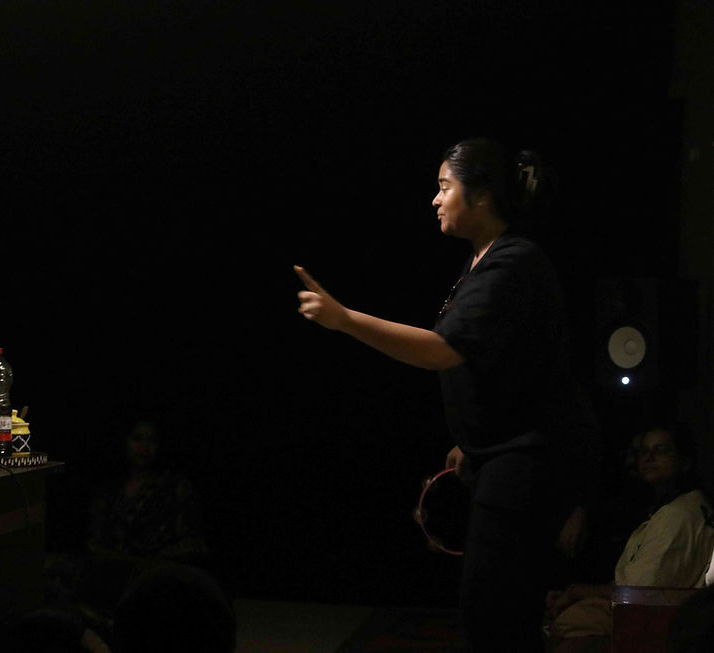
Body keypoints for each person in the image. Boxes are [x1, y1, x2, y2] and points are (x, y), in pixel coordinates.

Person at [295, 137, 598, 651]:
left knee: (494, 614)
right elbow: (501, 367)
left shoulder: (512, 263)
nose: (435, 199)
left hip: (531, 458)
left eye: (445, 187)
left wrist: (344, 320)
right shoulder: (484, 261)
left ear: (480, 196)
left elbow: (442, 351)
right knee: (499, 610)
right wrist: (474, 441)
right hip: (509, 451)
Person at [545, 424, 714, 648]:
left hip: (660, 623)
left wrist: (578, 593)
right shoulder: (669, 508)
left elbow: (639, 595)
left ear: (684, 461)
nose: (649, 458)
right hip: (653, 613)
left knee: (570, 621)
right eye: (644, 451)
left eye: (661, 450)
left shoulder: (679, 514)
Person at [74, 418, 211, 617]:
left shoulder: (175, 488)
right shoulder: (109, 491)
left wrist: (154, 563)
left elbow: (195, 544)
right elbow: (94, 542)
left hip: (157, 581)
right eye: (138, 439)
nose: (144, 447)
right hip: (111, 581)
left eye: (151, 441)